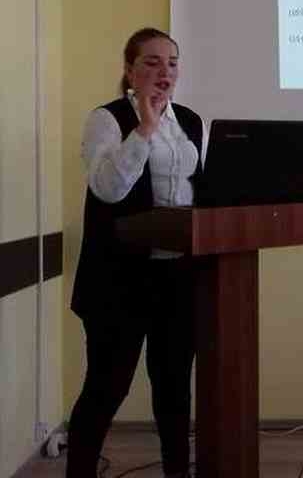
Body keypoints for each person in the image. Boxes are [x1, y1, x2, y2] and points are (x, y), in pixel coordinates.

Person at [67, 27, 207, 478]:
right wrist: (144, 129)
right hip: (119, 279)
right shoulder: (107, 120)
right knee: (107, 387)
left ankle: (177, 472)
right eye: (152, 62)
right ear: (130, 71)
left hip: (178, 276)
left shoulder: (191, 121)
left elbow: (197, 191)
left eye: (172, 62)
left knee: (174, 387)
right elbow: (107, 190)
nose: (165, 71)